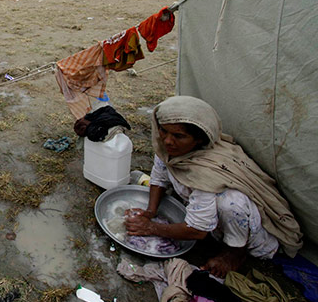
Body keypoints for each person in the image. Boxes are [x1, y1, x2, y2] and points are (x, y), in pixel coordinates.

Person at [125, 96, 302, 278]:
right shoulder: (170, 149)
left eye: (179, 136)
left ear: (199, 140)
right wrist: (151, 211)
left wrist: (151, 228)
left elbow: (198, 231)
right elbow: (159, 176)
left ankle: (235, 253)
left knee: (231, 201)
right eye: (163, 131)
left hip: (249, 230)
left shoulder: (206, 172)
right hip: (212, 219)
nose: (168, 141)